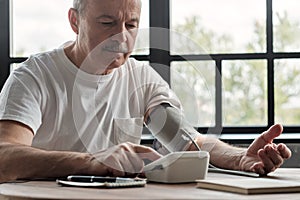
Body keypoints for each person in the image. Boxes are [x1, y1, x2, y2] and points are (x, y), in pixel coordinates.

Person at [0, 0, 291, 183]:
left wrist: (238, 159)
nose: (122, 37)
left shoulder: (140, 77)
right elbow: (5, 157)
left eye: (131, 24)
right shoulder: (33, 77)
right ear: (75, 21)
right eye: (107, 23)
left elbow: (189, 142)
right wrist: (93, 162)